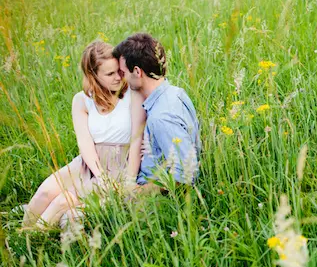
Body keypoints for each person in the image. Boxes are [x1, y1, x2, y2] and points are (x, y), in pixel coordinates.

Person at [22, 41, 146, 227]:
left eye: (119, 71)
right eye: (110, 74)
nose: (118, 77)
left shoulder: (132, 95)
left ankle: (33, 238)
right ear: (93, 75)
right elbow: (85, 143)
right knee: (45, 193)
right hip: (89, 163)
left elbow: (137, 139)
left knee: (63, 201)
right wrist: (99, 174)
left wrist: (126, 180)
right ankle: (21, 232)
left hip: (120, 164)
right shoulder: (82, 100)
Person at [112, 33, 201, 189]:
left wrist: (136, 193)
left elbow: (185, 175)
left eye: (123, 73)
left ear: (138, 72)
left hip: (150, 198)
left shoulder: (162, 116)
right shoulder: (175, 92)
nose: (121, 78)